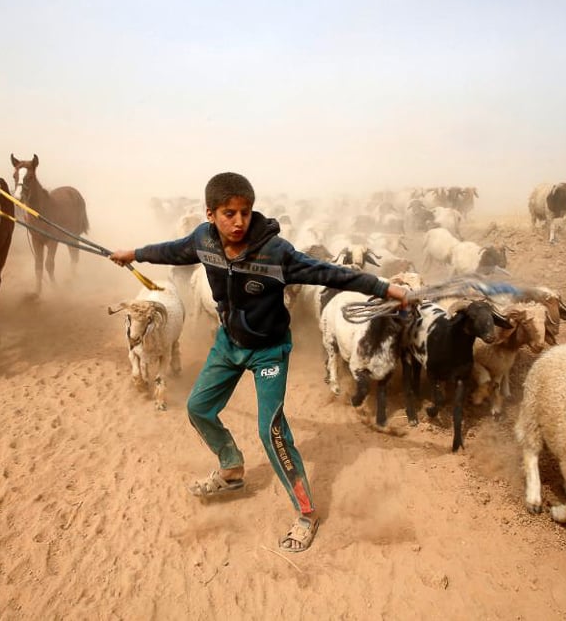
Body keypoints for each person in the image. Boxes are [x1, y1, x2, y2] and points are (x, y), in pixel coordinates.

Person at [110, 172, 409, 552]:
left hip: (269, 350)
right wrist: (132, 254)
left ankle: (306, 514)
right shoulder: (203, 240)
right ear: (211, 214)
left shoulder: (276, 252)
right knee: (199, 408)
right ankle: (232, 469)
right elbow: (171, 250)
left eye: (245, 213)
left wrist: (387, 288)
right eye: (228, 213)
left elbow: (332, 273)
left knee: (272, 433)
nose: (238, 222)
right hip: (228, 344)